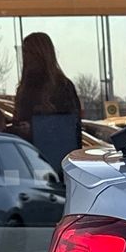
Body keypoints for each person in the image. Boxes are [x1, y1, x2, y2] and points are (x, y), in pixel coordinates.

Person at [12, 32, 82, 171]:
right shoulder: (25, 87)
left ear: (40, 54)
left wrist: (34, 129)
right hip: (30, 159)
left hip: (51, 161)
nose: (26, 57)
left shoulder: (61, 87)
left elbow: (69, 126)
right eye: (25, 52)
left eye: (30, 52)